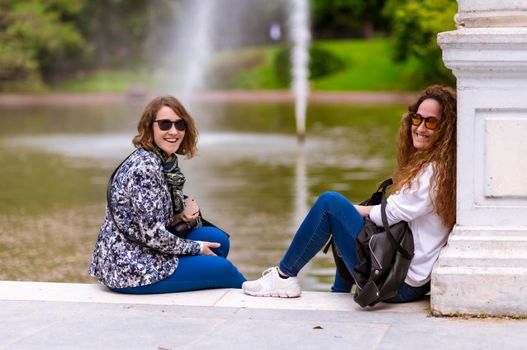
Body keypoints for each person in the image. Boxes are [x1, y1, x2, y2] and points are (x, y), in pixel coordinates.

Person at [242, 85, 457, 303]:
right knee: (346, 218)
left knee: (330, 204)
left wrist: (353, 209)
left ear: (446, 128)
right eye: (417, 119)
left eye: (431, 122)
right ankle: (339, 291)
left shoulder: (432, 173)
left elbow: (389, 214)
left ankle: (283, 275)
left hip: (396, 282)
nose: (420, 127)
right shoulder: (442, 169)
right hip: (405, 277)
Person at [88, 95, 246, 293]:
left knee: (217, 239)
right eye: (165, 124)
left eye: (180, 125)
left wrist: (179, 214)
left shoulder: (163, 160)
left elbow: (149, 219)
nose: (174, 131)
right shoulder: (145, 167)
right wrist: (196, 248)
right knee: (223, 269)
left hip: (142, 249)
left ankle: (200, 285)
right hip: (129, 266)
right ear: (149, 127)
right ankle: (255, 297)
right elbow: (153, 235)